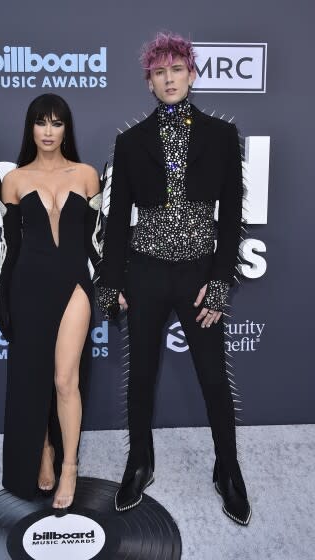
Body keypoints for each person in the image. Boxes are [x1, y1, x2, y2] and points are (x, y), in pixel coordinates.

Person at [98, 32, 251, 525]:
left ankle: (227, 469)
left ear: (192, 74)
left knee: (213, 378)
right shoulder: (130, 141)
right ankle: (139, 462)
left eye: (176, 69)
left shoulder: (222, 135)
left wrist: (221, 280)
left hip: (198, 276)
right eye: (159, 72)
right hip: (143, 272)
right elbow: (117, 216)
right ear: (149, 81)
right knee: (140, 375)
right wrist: (111, 281)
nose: (169, 79)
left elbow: (231, 218)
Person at [0, 93, 100, 509]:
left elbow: (97, 243)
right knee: (33, 379)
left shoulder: (88, 175)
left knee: (64, 379)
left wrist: (107, 286)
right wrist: (3, 298)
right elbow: (9, 248)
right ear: (31, 128)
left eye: (57, 123)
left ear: (66, 128)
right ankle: (45, 451)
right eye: (41, 123)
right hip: (28, 285)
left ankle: (70, 465)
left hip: (74, 284)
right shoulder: (14, 181)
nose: (49, 131)